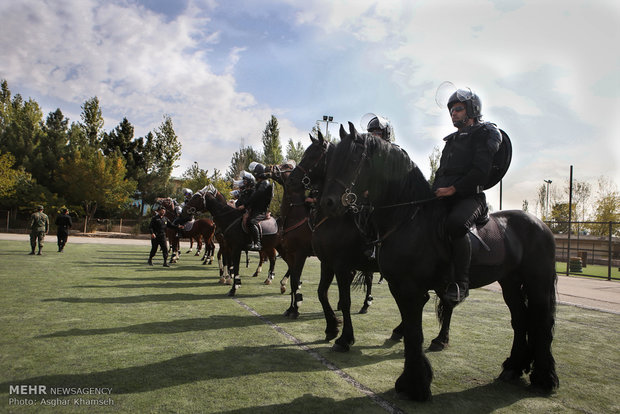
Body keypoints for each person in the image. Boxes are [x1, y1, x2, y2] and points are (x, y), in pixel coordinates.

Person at [433, 88, 502, 305]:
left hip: (471, 198)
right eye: (451, 110)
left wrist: (453, 189)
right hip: (445, 196)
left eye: (458, 109)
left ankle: (461, 283)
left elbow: (480, 172)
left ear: (472, 110)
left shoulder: (485, 133)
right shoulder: (451, 140)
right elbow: (441, 172)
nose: (453, 113)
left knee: (455, 224)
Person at [241, 162, 273, 251]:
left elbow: (256, 196)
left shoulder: (264, 183)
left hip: (261, 210)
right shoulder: (260, 183)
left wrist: (245, 205)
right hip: (255, 209)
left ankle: (257, 243)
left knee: (252, 222)